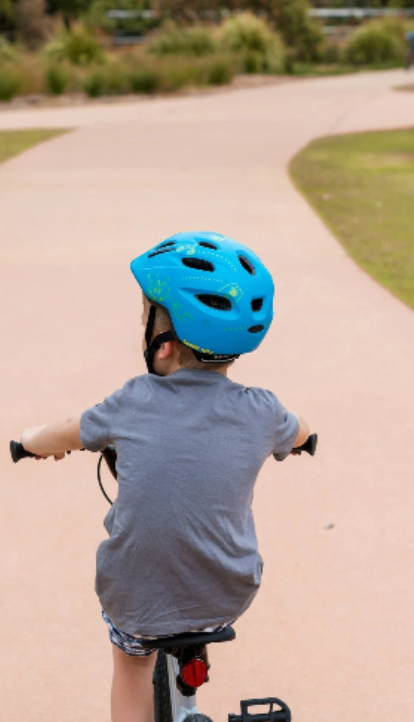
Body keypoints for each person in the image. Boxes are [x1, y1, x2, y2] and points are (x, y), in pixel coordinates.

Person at [18, 232, 313, 722]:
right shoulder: (263, 410)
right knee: (204, 582)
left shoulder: (132, 402)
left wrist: (28, 442)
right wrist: (305, 439)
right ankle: (193, 671)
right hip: (228, 593)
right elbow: (300, 430)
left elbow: (66, 431)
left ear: (163, 347)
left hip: (138, 600)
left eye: (146, 321)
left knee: (132, 664)